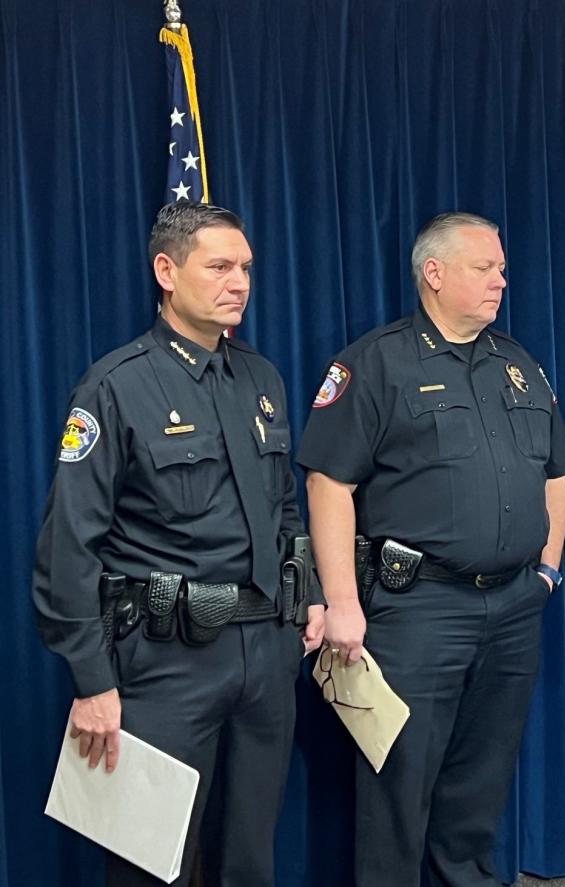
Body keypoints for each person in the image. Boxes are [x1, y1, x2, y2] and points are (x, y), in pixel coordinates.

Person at [32, 202, 325, 885]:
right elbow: (68, 545)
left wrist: (304, 595)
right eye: (219, 265)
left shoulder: (262, 379)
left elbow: (285, 504)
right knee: (147, 859)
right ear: (166, 270)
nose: (240, 282)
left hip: (264, 653)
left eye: (247, 267)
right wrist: (92, 679)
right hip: (166, 660)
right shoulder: (116, 387)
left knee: (249, 857)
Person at [298, 211, 565, 887]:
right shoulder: (374, 363)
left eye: (502, 269)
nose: (501, 281)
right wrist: (340, 601)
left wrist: (546, 572)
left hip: (512, 606)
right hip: (419, 610)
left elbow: (555, 470)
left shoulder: (518, 364)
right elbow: (328, 481)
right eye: (486, 268)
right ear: (434, 273)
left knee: (481, 780)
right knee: (397, 786)